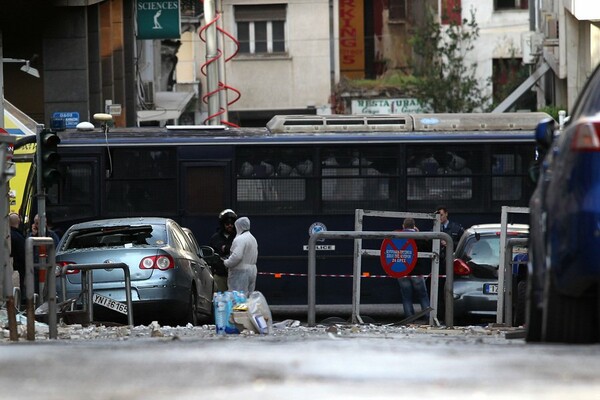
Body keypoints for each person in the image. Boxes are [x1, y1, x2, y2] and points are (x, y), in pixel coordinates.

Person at [397, 218, 430, 321]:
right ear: (414, 226)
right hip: (416, 271)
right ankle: (429, 318)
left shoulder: (397, 236)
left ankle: (410, 320)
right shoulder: (417, 236)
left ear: (403, 226)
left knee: (406, 297)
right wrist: (418, 233)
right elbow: (426, 247)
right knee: (423, 296)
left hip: (402, 271)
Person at [223, 216, 258, 294]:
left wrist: (226, 262)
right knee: (248, 297)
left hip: (240, 272)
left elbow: (237, 256)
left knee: (237, 297)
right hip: (252, 271)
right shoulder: (252, 238)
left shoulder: (240, 239)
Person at [208, 209, 237, 292]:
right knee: (220, 299)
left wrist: (227, 248)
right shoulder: (215, 238)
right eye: (227, 224)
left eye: (232, 224)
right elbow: (210, 255)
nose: (230, 226)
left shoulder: (237, 237)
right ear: (223, 224)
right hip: (220, 275)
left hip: (235, 275)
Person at [9, 212, 26, 294]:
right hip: (18, 268)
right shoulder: (19, 237)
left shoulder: (6, 235)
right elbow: (23, 254)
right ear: (19, 222)